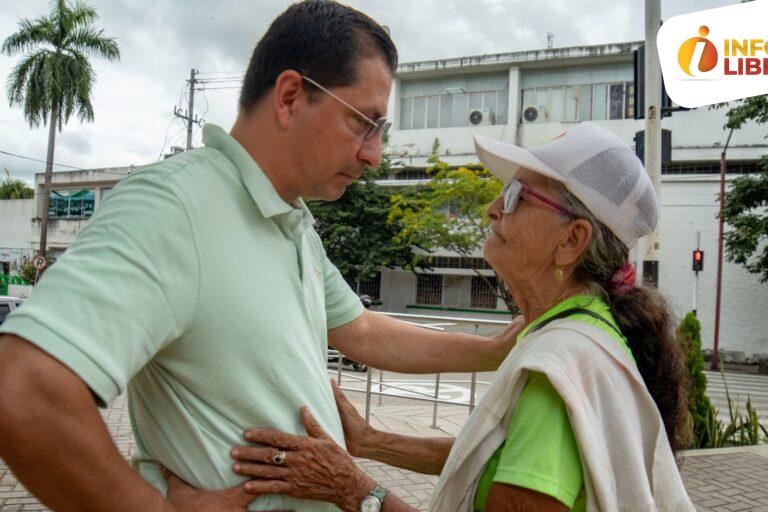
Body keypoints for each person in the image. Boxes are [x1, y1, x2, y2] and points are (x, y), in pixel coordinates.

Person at [0, 2, 519, 511]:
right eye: (364, 122)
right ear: (290, 96)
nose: (373, 154)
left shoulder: (295, 223)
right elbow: (25, 389)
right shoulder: (178, 205)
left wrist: (494, 350)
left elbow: (360, 331)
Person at [185, 123, 696, 512]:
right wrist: (370, 442)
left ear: (572, 240)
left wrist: (354, 488)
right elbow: (495, 459)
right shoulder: (584, 335)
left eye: (517, 195)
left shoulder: (558, 371)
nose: (494, 207)